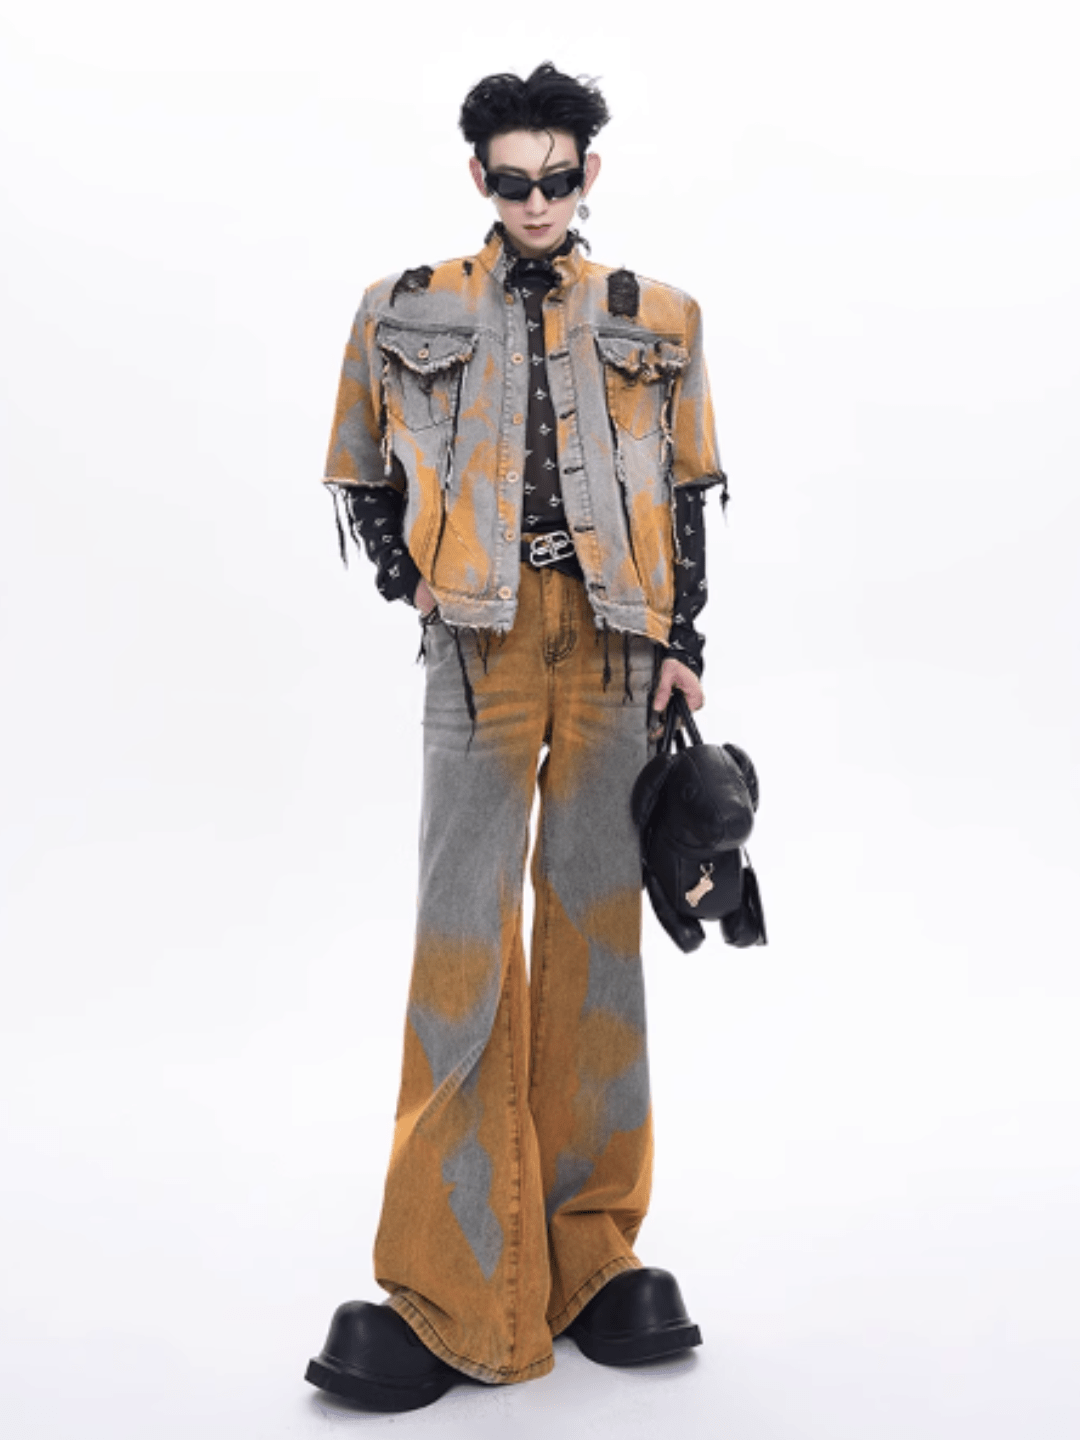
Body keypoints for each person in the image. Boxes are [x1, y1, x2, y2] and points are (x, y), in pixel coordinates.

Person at [304, 62, 729, 1412]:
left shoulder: (662, 316)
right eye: (511, 180)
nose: (535, 201)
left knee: (599, 940)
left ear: (588, 175)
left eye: (556, 178)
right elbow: (360, 467)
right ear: (478, 177)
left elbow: (689, 488)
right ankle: (448, 1288)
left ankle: (592, 1257)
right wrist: (411, 585)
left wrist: (683, 645)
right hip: (478, 647)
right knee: (461, 941)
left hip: (616, 648)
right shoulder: (403, 306)